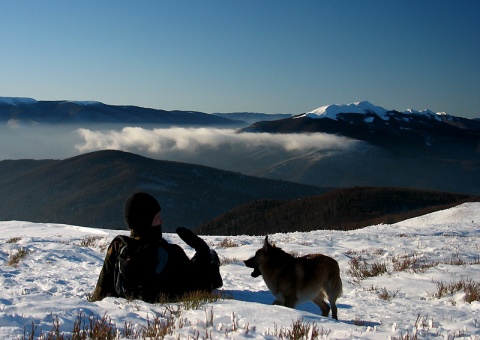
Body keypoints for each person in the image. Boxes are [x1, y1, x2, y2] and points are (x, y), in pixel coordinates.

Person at [91, 192, 222, 302]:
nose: (161, 220)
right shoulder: (168, 252)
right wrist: (203, 250)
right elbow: (200, 285)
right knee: (210, 257)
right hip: (170, 291)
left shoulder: (118, 246)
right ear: (146, 220)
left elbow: (102, 288)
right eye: (157, 217)